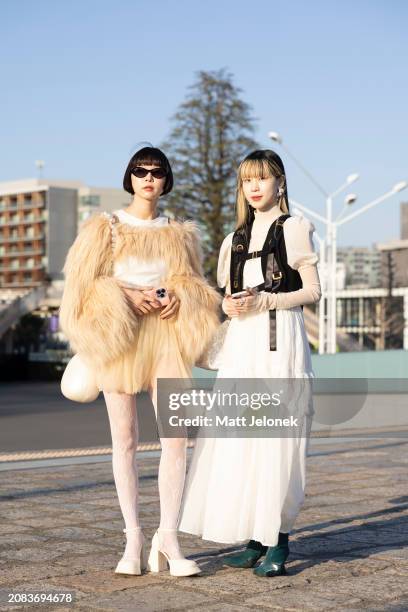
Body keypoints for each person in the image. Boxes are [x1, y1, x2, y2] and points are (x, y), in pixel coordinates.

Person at [59, 146, 220, 577]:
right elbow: (82, 285)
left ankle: (168, 538)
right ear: (129, 177)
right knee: (124, 441)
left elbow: (193, 283)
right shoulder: (105, 227)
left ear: (166, 180)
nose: (148, 177)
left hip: (167, 338)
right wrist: (127, 295)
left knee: (176, 439)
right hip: (121, 338)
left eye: (157, 171)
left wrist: (175, 297)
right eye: (140, 170)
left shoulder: (180, 233)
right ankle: (133, 537)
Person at [178, 149, 321, 577]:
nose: (254, 187)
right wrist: (232, 305)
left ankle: (278, 541)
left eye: (262, 178)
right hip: (244, 344)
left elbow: (312, 291)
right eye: (246, 181)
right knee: (242, 441)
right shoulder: (233, 239)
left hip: (280, 343)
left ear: (280, 182)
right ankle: (256, 541)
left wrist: (264, 301)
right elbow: (228, 296)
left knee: (276, 441)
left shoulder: (295, 228)